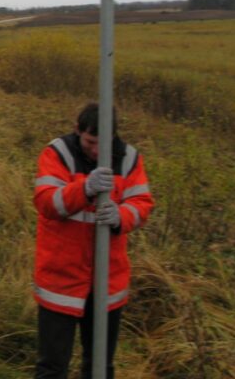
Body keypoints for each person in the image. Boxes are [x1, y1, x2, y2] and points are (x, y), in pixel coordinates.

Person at [32, 103, 154, 379]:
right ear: (77, 131)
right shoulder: (58, 154)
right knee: (51, 368)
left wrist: (120, 216)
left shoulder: (129, 159)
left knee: (100, 368)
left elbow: (142, 204)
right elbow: (47, 202)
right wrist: (84, 189)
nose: (98, 151)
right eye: (90, 142)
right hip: (61, 278)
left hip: (107, 281)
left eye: (104, 143)